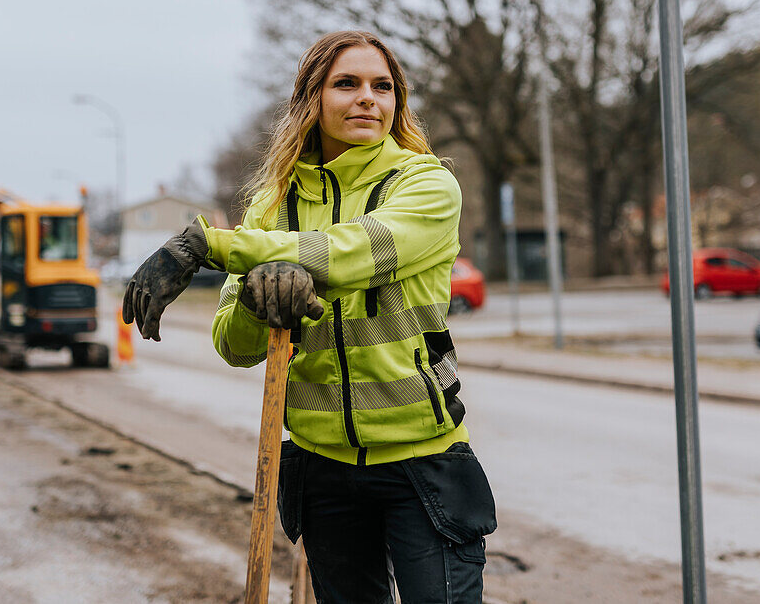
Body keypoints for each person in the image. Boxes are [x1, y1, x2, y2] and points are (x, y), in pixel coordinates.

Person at [123, 30, 496, 602]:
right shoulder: (273, 207)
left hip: (424, 463)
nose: (367, 97)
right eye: (346, 83)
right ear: (312, 100)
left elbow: (351, 253)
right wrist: (255, 300)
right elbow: (235, 346)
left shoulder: (426, 185)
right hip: (321, 469)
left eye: (383, 86)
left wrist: (207, 245)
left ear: (398, 103)